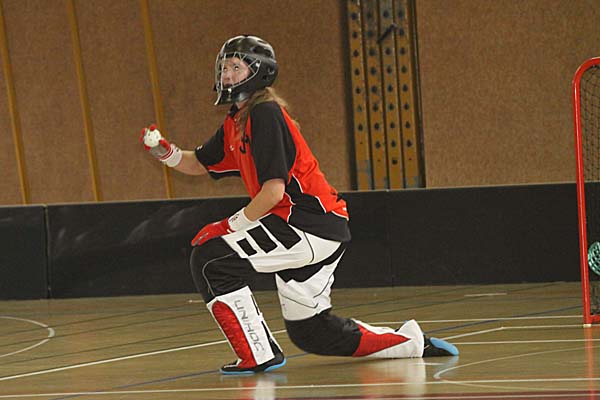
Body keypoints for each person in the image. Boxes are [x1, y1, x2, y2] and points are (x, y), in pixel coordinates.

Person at [140, 35, 458, 375]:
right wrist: (163, 151)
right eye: (224, 67)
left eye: (236, 67)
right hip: (319, 227)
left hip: (306, 223)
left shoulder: (264, 114)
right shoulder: (236, 122)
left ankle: (257, 354)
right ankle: (411, 343)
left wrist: (227, 226)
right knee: (313, 333)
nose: (227, 75)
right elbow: (198, 163)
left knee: (211, 259)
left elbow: (274, 193)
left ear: (258, 72)